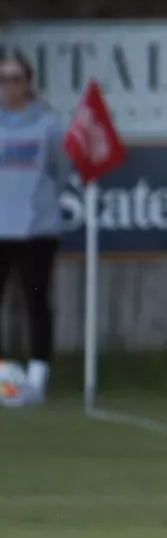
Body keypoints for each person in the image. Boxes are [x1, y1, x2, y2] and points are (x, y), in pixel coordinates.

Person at [0, 57, 66, 405]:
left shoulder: (47, 124)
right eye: (3, 79)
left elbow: (61, 170)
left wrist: (41, 205)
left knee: (37, 301)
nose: (8, 85)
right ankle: (2, 379)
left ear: (28, 83)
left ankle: (38, 376)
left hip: (37, 231)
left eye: (14, 78)